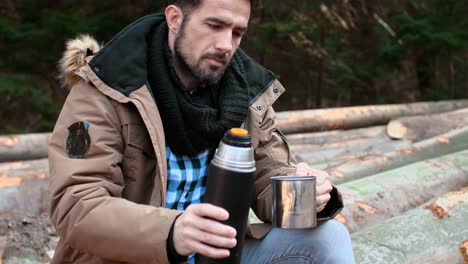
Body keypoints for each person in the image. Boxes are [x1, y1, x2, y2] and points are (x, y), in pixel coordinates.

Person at [48, 0, 355, 263]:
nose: (226, 45)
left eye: (237, 32)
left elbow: (267, 185)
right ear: (175, 19)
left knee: (327, 238)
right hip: (131, 257)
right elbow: (76, 206)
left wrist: (305, 195)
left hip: (218, 257)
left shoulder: (246, 95)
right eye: (214, 25)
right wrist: (172, 231)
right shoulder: (106, 89)